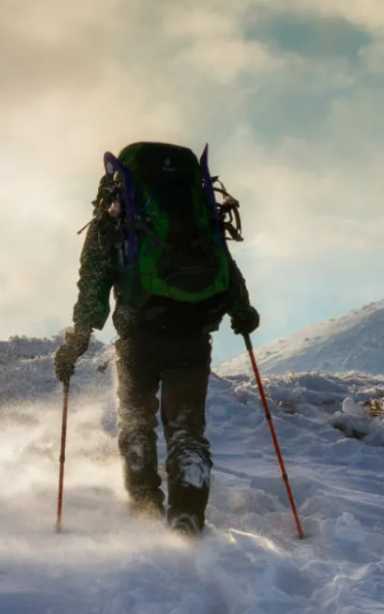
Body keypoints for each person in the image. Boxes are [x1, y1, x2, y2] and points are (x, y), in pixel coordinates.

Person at [53, 142, 260, 536]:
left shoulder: (114, 218)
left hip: (139, 335)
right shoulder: (199, 216)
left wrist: (77, 339)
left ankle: (146, 510)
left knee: (136, 421)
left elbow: (93, 283)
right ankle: (187, 518)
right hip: (193, 333)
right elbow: (226, 265)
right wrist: (242, 312)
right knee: (187, 431)